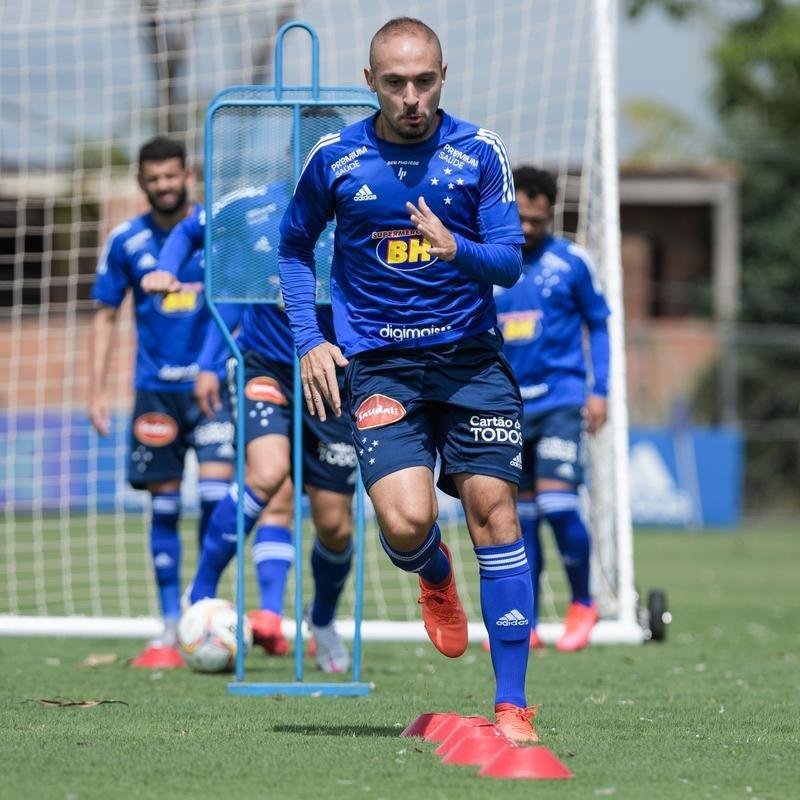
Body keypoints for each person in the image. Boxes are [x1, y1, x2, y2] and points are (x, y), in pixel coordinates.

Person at [279, 18, 539, 742]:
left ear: (443, 76)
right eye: (395, 83)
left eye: (424, 80)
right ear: (371, 84)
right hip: (381, 366)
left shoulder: (478, 152)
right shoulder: (334, 158)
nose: (412, 96)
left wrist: (458, 248)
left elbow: (510, 260)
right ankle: (433, 571)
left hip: (470, 362)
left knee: (496, 511)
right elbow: (294, 246)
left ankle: (513, 705)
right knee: (405, 522)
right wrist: (309, 340)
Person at [144, 110, 356, 673]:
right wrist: (166, 268)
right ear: (292, 155)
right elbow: (191, 228)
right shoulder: (251, 204)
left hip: (335, 375)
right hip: (266, 366)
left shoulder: (361, 211)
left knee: (335, 522)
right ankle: (201, 590)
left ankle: (324, 620)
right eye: (306, 150)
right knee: (266, 475)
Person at [89, 137, 235, 669]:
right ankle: (171, 625)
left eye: (172, 176)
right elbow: (104, 312)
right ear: (141, 182)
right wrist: (97, 388)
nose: (164, 185)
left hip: (215, 386)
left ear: (188, 174)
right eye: (154, 179)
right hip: (154, 391)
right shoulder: (126, 240)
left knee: (219, 500)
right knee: (165, 505)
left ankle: (205, 606)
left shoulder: (217, 234)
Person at [492, 166, 610, 653]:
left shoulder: (572, 263)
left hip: (561, 397)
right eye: (519, 217)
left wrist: (598, 388)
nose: (526, 229)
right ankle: (530, 619)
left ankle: (584, 601)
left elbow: (599, 324)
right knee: (520, 519)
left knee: (560, 506)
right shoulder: (490, 261)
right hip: (505, 402)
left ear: (550, 214)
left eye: (536, 221)